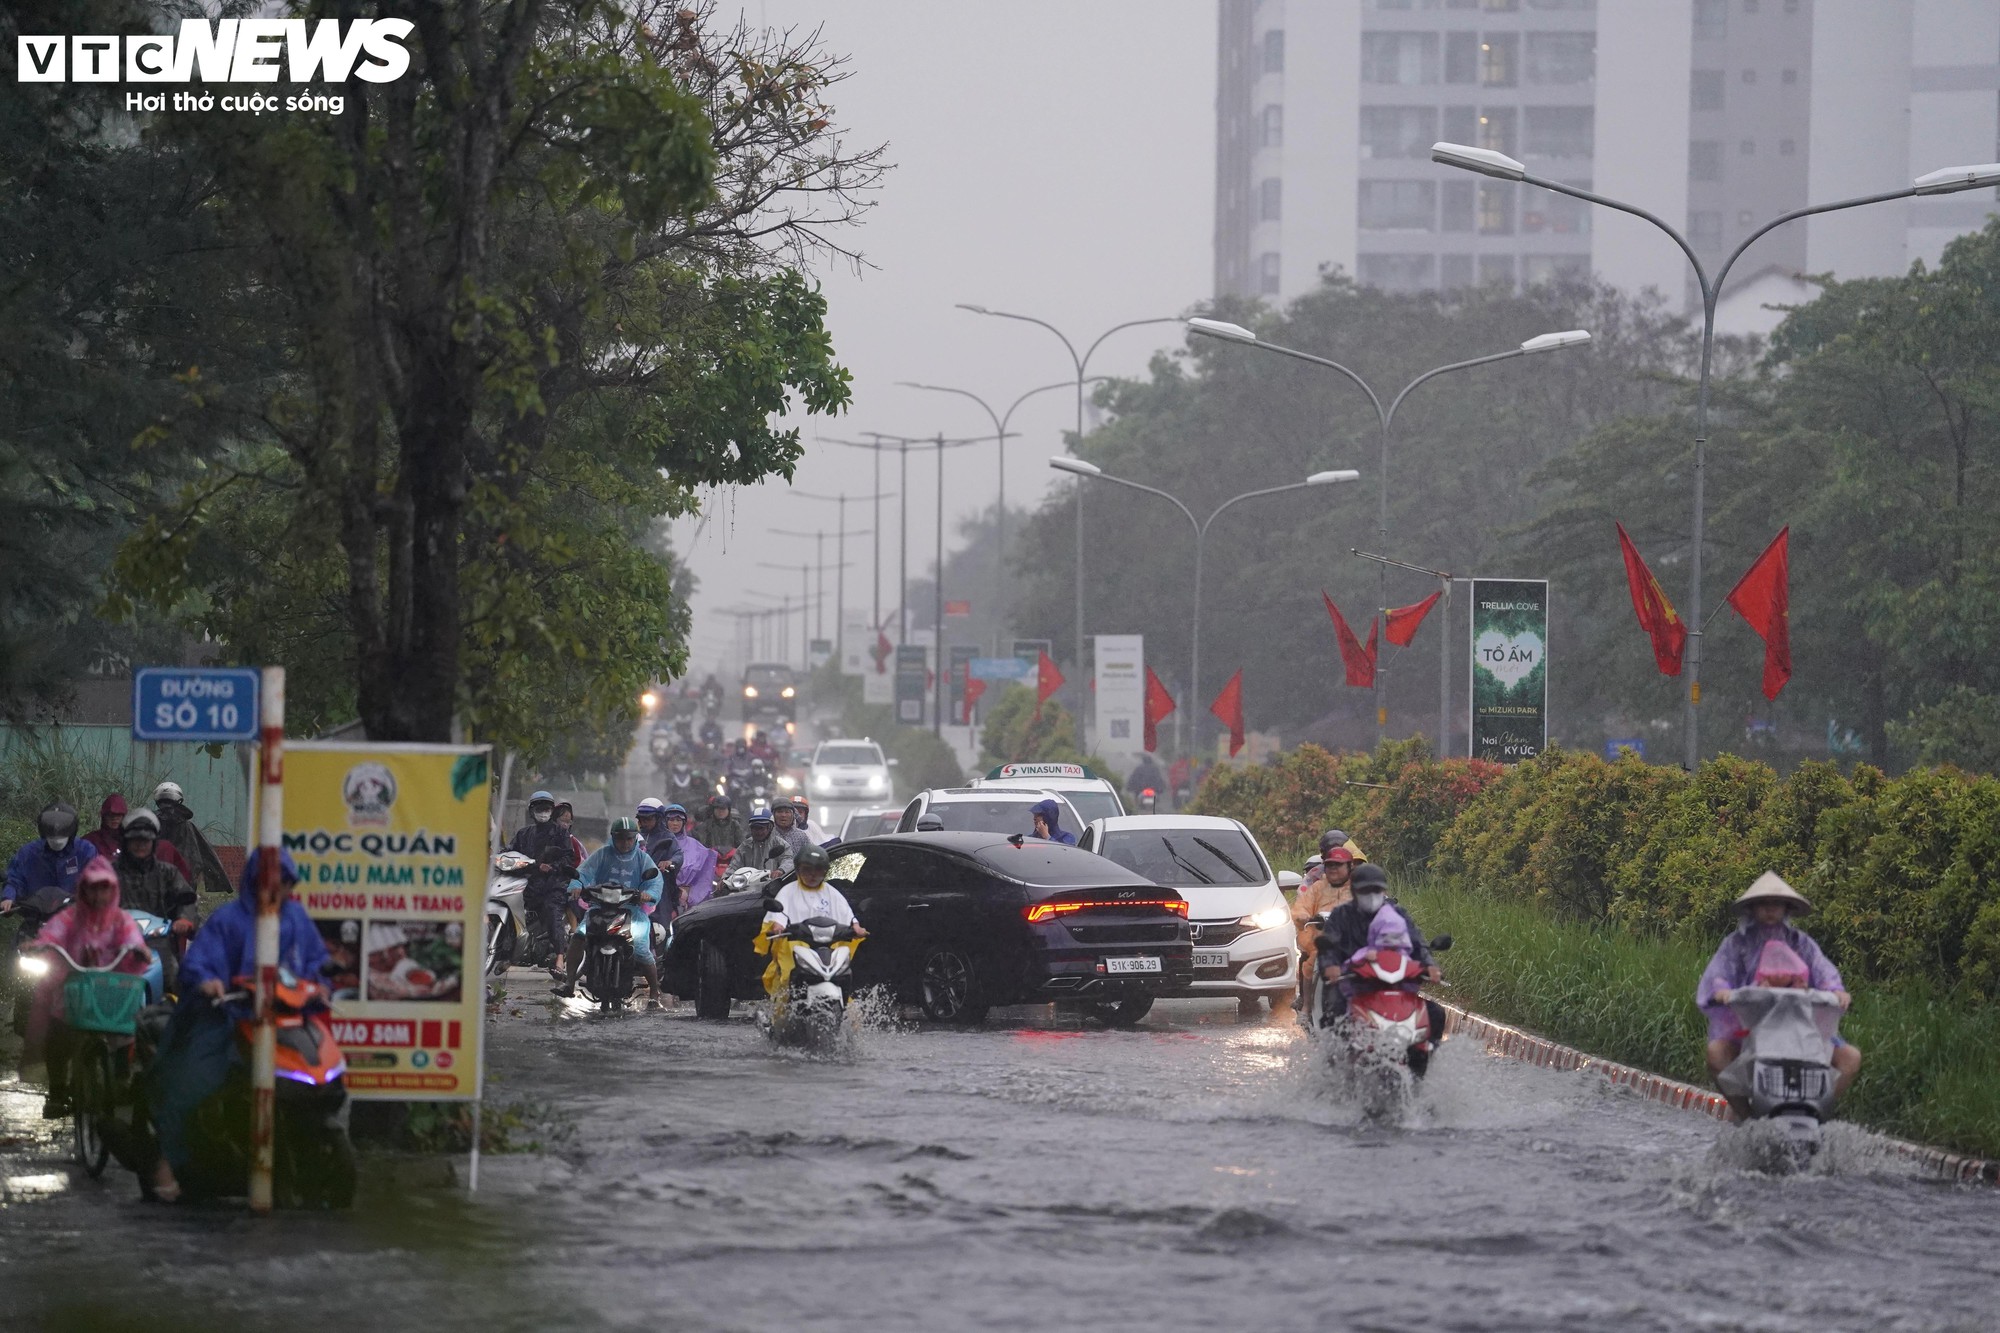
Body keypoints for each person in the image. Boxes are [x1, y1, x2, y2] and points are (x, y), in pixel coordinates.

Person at [150, 848, 327, 1203]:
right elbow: (199, 964)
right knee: (189, 1083)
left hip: (284, 1022)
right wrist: (209, 982)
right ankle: (167, 1163)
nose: (276, 891)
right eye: (270, 883)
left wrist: (321, 984)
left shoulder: (296, 920)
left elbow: (316, 962)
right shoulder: (228, 920)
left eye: (284, 884)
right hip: (225, 1019)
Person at [1697, 872, 1859, 1118]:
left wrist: (1836, 990)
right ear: (1752, 908)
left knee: (1850, 1057)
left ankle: (1818, 1110)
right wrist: (1722, 991)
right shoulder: (1737, 944)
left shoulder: (1801, 943)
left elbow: (1823, 971)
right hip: (1750, 1027)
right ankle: (1745, 1113)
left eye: (1776, 903)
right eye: (1763, 903)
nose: (1770, 909)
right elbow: (1720, 973)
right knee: (1716, 1053)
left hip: (1802, 1027)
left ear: (1786, 908)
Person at [24, 858, 151, 1120]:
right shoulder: (69, 918)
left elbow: (132, 937)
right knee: (57, 1035)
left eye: (104, 888)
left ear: (112, 889)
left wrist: (139, 949)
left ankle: (121, 1076)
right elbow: (52, 934)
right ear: (83, 889)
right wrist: (41, 944)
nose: (98, 894)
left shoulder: (120, 919)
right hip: (74, 992)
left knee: (126, 1028)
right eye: (93, 888)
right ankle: (57, 1091)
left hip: (108, 992)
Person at [1313, 863, 1442, 1037]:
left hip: (1394, 982)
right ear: (1354, 891)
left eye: (1376, 890)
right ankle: (1336, 1058)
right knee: (1334, 1012)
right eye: (1366, 891)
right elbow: (1328, 947)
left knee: (1436, 1013)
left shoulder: (1397, 914)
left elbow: (1417, 942)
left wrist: (1429, 965)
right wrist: (1330, 967)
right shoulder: (1340, 915)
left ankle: (1426, 1056)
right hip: (1351, 981)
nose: (1371, 895)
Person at [556, 817, 664, 1005]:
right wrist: (576, 885)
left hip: (632, 911)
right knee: (579, 936)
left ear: (635, 838)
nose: (625, 843)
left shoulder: (643, 859)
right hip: (599, 908)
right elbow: (582, 873)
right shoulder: (602, 854)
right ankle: (570, 981)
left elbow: (655, 881)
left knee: (641, 948)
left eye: (630, 838)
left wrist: (648, 894)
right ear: (613, 837)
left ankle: (654, 993)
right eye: (621, 838)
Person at [110, 808, 198, 993]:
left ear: (154, 842)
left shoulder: (168, 872)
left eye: (146, 841)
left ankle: (173, 1015)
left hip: (158, 941)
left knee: (173, 974)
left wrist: (184, 919)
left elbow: (187, 899)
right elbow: (86, 898)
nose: (140, 845)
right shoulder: (108, 871)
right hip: (113, 940)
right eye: (135, 840)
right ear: (126, 842)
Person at [508, 790, 580, 974]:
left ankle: (559, 957)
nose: (543, 812)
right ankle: (508, 953)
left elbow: (568, 858)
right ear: (532, 811)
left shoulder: (560, 833)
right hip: (528, 884)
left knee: (551, 909)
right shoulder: (523, 834)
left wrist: (552, 867)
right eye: (539, 808)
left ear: (551, 811)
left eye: (546, 808)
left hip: (553, 885)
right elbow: (510, 851)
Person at [3, 801, 100, 910]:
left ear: (72, 830)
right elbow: (15, 878)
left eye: (62, 834)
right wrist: (8, 897)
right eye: (52, 835)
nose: (57, 839)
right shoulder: (28, 853)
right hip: (36, 916)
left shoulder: (85, 851)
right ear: (43, 831)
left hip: (75, 915)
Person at [761, 844, 865, 936]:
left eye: (818, 869)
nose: (813, 874)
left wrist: (856, 926)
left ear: (825, 871)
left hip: (828, 944)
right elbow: (776, 916)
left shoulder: (830, 892)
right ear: (798, 870)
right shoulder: (787, 891)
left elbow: (846, 913)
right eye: (807, 869)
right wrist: (778, 925)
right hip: (795, 945)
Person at [151, 782, 231, 898]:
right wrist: (219, 880)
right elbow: (207, 853)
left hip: (154, 882)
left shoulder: (148, 821)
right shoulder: (188, 827)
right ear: (179, 799)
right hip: (184, 882)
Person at [660, 803, 719, 911]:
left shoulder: (695, 846)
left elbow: (705, 877)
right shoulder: (658, 843)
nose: (675, 823)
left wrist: (691, 896)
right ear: (665, 821)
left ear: (684, 822)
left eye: (678, 820)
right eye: (671, 820)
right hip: (662, 898)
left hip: (689, 901)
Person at [734, 802, 794, 878]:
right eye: (755, 828)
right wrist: (725, 878)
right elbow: (734, 865)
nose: (758, 832)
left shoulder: (780, 844)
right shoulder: (745, 845)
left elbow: (788, 859)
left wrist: (781, 870)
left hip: (774, 884)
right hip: (748, 886)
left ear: (770, 827)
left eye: (761, 828)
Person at [81, 793, 127, 860]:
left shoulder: (130, 841)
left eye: (118, 815)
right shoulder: (89, 841)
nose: (114, 818)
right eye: (110, 815)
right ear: (104, 816)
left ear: (123, 816)